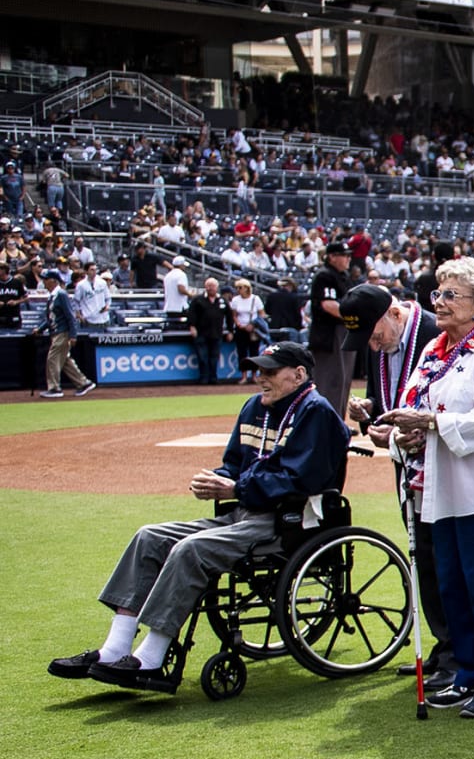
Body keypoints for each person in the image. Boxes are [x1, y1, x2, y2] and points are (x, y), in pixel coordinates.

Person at [47, 342, 349, 691]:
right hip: (242, 512)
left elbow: (300, 479)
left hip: (288, 522)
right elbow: (235, 464)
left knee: (191, 548)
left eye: (270, 371)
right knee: (149, 536)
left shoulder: (316, 412)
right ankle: (114, 648)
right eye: (259, 370)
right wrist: (216, 480)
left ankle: (152, 658)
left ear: (298, 375)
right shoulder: (255, 407)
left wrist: (236, 488)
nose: (260, 378)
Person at [381, 257, 474, 720]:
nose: (440, 303)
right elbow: (412, 404)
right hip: (437, 488)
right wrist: (401, 432)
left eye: (451, 295)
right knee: (454, 587)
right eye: (438, 294)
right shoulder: (433, 352)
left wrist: (430, 422)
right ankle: (465, 672)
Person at [340, 282, 452, 691]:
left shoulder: (433, 332)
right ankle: (443, 647)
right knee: (422, 553)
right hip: (405, 468)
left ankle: (457, 652)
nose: (373, 344)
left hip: (440, 465)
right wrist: (369, 412)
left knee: (444, 557)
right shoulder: (384, 346)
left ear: (395, 313)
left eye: (374, 333)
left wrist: (406, 429)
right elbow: (384, 400)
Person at [307, 241, 357, 405]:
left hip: (344, 331)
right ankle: (326, 422)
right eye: (344, 255)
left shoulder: (343, 277)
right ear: (332, 257)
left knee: (342, 380)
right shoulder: (325, 275)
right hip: (329, 334)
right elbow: (328, 305)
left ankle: (336, 422)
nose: (348, 259)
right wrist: (354, 317)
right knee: (330, 380)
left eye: (349, 255)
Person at [37, 269, 94, 398]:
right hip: (56, 331)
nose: (44, 282)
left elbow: (70, 316)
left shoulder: (61, 295)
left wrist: (73, 335)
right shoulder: (53, 296)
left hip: (62, 332)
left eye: (45, 279)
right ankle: (83, 383)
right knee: (65, 361)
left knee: (53, 359)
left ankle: (54, 388)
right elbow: (52, 317)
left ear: (53, 281)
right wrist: (40, 329)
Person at [187, 277, 227, 385]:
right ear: (205, 287)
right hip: (201, 333)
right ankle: (203, 378)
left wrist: (231, 331)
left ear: (217, 287)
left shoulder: (222, 300)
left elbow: (230, 316)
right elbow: (191, 314)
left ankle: (213, 378)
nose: (211, 288)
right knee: (202, 357)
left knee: (214, 358)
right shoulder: (198, 300)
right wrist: (192, 327)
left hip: (217, 333)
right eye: (208, 286)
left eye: (213, 286)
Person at [228, 278, 266, 384]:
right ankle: (244, 376)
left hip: (253, 329)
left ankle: (254, 375)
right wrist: (238, 324)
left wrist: (253, 324)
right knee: (242, 353)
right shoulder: (236, 300)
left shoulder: (255, 299)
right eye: (237, 288)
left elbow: (262, 314)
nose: (238, 290)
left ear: (246, 288)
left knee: (254, 352)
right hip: (241, 329)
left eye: (240, 287)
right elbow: (234, 315)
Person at [161, 256, 191, 327]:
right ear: (181, 265)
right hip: (180, 308)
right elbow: (181, 289)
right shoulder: (181, 274)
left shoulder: (168, 275)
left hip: (169, 308)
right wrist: (192, 295)